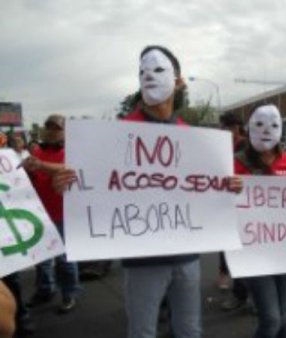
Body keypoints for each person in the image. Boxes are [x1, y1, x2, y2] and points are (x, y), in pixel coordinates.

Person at [52, 45, 243, 338]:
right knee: (142, 333)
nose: (149, 76)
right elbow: (91, 185)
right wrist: (66, 183)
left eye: (158, 70)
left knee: (190, 330)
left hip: (187, 257)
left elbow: (205, 188)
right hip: (143, 262)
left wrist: (229, 187)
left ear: (178, 81)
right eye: (143, 71)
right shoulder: (117, 133)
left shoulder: (192, 137)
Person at [234, 104, 286, 338]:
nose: (266, 130)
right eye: (259, 124)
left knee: (283, 317)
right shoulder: (236, 163)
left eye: (273, 125)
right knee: (271, 319)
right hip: (254, 252)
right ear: (250, 128)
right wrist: (229, 188)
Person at [22, 114, 82, 314]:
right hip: (39, 214)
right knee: (41, 258)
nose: (51, 130)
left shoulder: (72, 150)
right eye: (48, 126)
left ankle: (69, 293)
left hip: (64, 214)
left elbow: (68, 169)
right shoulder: (36, 151)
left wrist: (40, 165)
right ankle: (45, 289)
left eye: (56, 127)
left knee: (65, 259)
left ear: (65, 131)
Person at [218, 111, 250, 311]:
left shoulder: (246, 146)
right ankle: (240, 293)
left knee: (245, 253)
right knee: (231, 249)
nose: (225, 131)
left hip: (246, 205)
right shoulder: (223, 145)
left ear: (237, 127)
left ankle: (244, 296)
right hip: (227, 204)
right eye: (223, 127)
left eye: (228, 127)